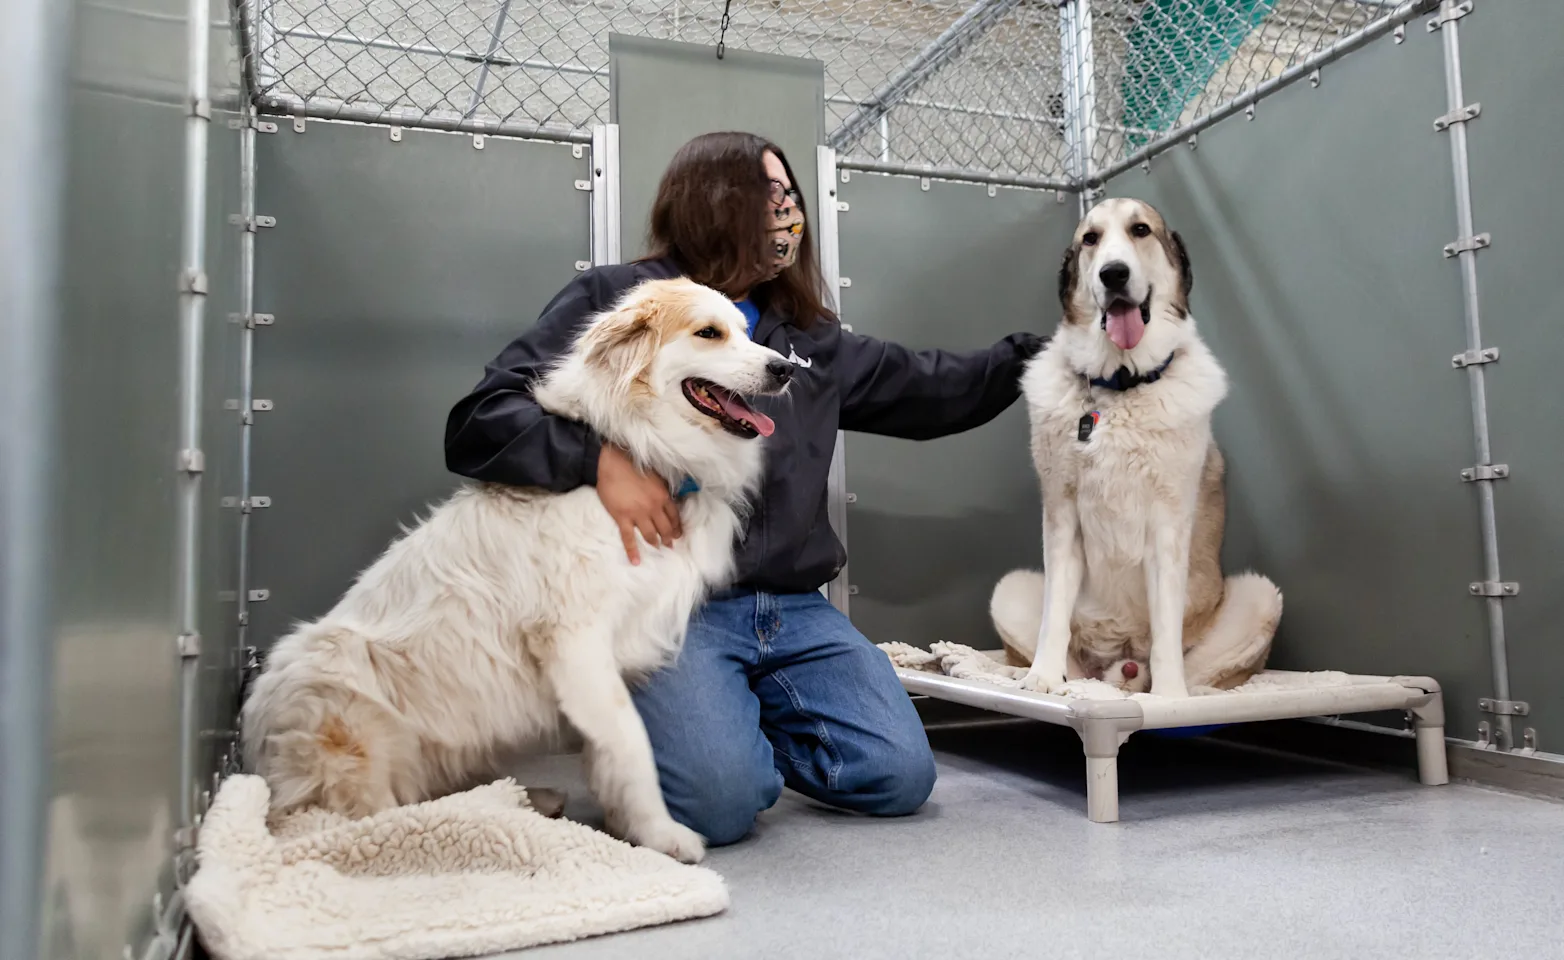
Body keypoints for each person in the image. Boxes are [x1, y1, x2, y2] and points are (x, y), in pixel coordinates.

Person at [444, 131, 1045, 846]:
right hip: (678, 607)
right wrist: (598, 461)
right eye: (771, 193)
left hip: (794, 605)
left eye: (792, 195)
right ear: (712, 199)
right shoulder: (619, 298)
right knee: (721, 805)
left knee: (898, 776)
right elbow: (482, 421)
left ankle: (730, 727)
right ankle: (698, 745)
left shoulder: (810, 338)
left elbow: (933, 387)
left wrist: (1044, 354)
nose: (789, 213)